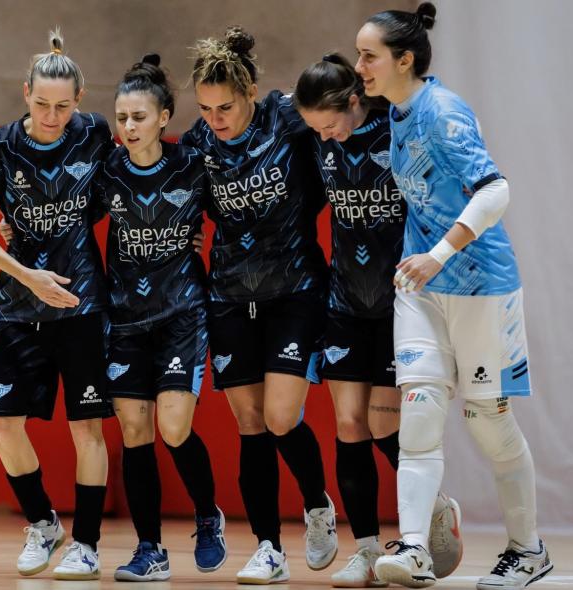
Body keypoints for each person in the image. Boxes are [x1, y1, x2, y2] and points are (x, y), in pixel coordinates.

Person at [353, 4, 552, 588]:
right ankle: (416, 549)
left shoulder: (442, 111)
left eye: (369, 56)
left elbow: (495, 191)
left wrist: (438, 253)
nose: (359, 66)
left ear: (403, 60)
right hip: (420, 287)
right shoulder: (395, 111)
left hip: (479, 285)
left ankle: (528, 549)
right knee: (418, 417)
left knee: (487, 422)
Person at [293, 53, 465, 587]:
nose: (325, 136)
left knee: (385, 425)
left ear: (354, 101)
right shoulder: (320, 143)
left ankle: (434, 505)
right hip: (345, 302)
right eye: (315, 129)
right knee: (348, 425)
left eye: (330, 124)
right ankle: (367, 550)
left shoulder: (398, 131)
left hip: (400, 304)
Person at [181, 26, 337, 585]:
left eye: (225, 107)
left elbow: (342, 113)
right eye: (205, 109)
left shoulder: (287, 117)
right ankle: (268, 547)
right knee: (250, 424)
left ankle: (317, 505)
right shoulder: (198, 143)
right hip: (229, 296)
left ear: (250, 92)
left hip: (294, 290)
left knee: (280, 417)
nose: (215, 119)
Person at [0, 29, 115, 581]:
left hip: (81, 305)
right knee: (4, 423)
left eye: (63, 106)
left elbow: (115, 195)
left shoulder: (96, 134)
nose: (52, 117)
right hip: (18, 306)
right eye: (42, 104)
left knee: (87, 430)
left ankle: (86, 544)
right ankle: (43, 524)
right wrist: (28, 276)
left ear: (80, 100)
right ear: (25, 92)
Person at [96, 53, 226, 582]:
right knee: (135, 431)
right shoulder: (107, 170)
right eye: (122, 118)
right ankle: (149, 549)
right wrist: (6, 222)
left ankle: (207, 515)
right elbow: (66, 217)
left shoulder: (192, 164)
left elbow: (236, 214)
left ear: (164, 117)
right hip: (126, 318)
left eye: (139, 117)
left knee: (173, 429)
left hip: (181, 315)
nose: (129, 127)